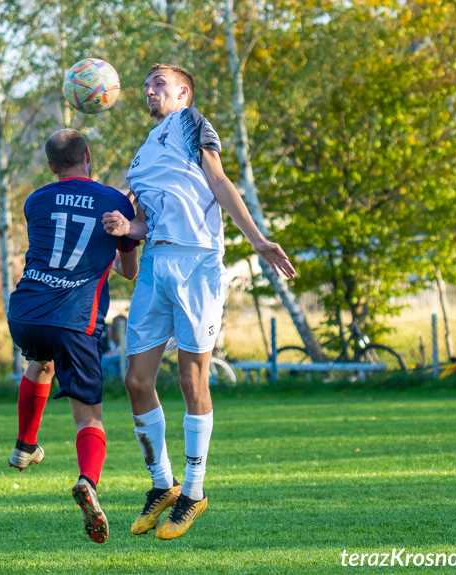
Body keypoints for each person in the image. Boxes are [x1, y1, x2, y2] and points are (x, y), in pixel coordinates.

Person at [103, 64, 296, 540]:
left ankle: (193, 491)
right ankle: (161, 485)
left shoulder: (191, 123)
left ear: (183, 92)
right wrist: (128, 229)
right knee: (135, 379)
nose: (150, 90)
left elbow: (219, 181)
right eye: (146, 86)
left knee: (192, 379)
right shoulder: (141, 157)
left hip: (198, 266)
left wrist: (257, 240)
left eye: (159, 84)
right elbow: (147, 223)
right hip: (155, 264)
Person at [6, 129, 139, 544]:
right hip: (74, 318)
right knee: (89, 415)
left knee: (41, 361)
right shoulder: (115, 203)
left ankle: (25, 446)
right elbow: (129, 272)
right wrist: (126, 233)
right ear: (88, 155)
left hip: (25, 311)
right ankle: (88, 482)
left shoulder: (35, 200)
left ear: (50, 166)